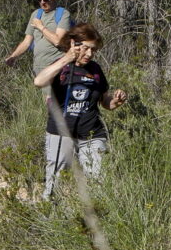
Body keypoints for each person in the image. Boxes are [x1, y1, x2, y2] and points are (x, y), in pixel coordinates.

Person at [33, 23, 127, 199]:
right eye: (86, 48)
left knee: (99, 179)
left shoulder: (96, 69)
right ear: (73, 44)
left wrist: (115, 100)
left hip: (92, 133)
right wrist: (66, 59)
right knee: (55, 178)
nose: (90, 54)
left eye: (93, 50)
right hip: (61, 132)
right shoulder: (61, 65)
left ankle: (97, 218)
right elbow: (39, 81)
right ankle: (49, 214)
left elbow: (105, 102)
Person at [4, 0, 72, 91]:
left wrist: (41, 27)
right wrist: (13, 56)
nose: (42, 2)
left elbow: (58, 41)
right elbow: (27, 42)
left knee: (56, 102)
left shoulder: (63, 14)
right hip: (39, 69)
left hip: (58, 67)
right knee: (45, 102)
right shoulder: (36, 14)